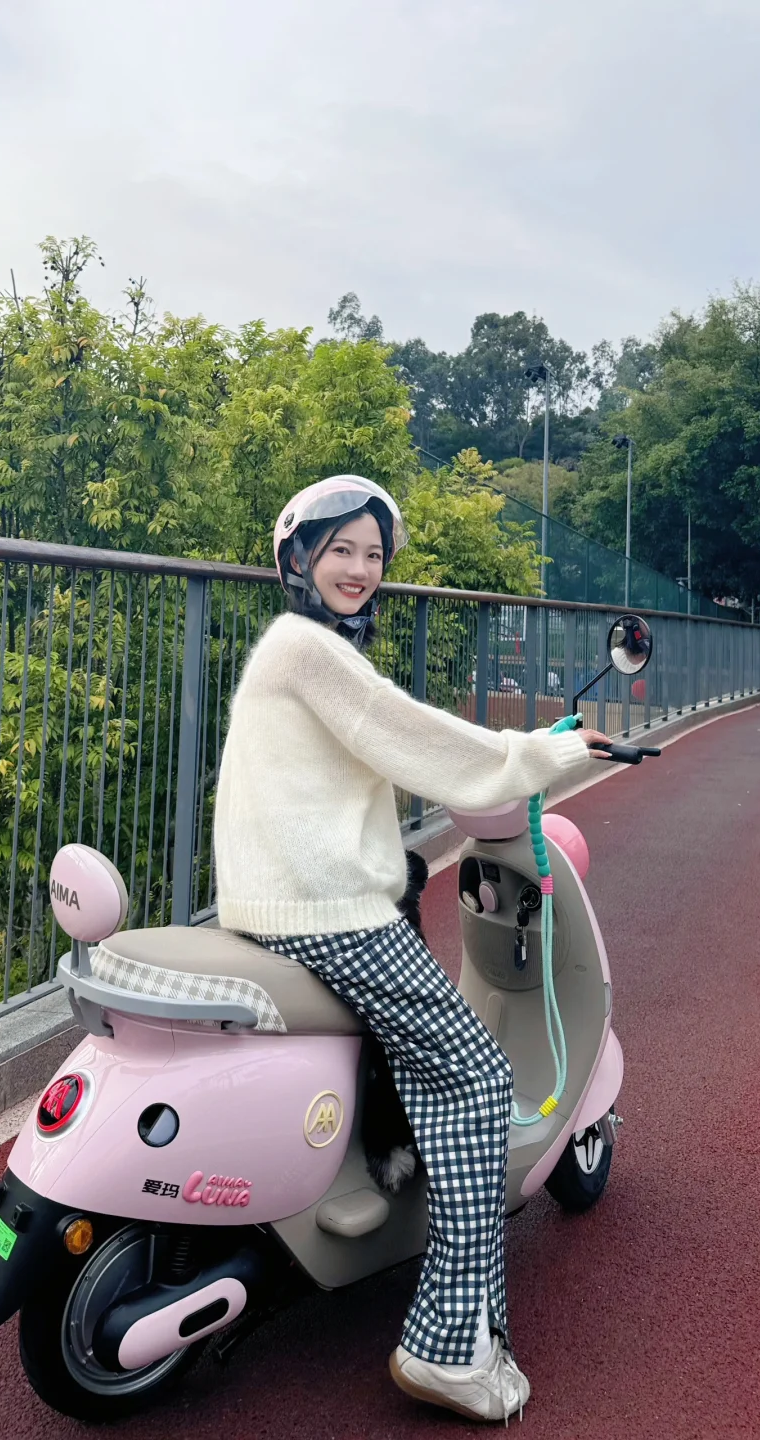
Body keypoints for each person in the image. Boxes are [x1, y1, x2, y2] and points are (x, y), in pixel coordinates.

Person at [213, 475, 611, 1424]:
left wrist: (526, 742)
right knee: (475, 1076)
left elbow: (391, 745)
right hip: (323, 911)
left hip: (285, 903)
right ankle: (441, 1342)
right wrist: (550, 756)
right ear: (297, 558)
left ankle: (450, 1286)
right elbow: (416, 739)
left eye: (373, 555)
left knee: (429, 1056)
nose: (358, 569)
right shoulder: (305, 648)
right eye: (339, 549)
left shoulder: (305, 650)